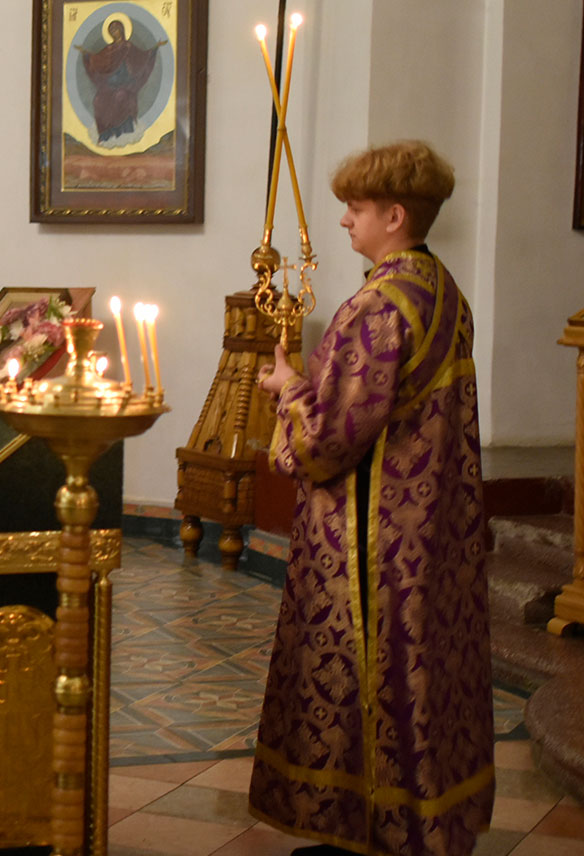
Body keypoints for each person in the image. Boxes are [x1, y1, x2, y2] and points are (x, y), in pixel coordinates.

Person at [251, 140, 492, 856]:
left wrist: (288, 389)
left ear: (394, 216)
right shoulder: (443, 289)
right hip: (431, 528)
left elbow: (328, 440)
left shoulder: (378, 306)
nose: (344, 221)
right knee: (422, 676)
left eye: (356, 209)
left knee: (365, 673)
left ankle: (366, 830)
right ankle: (422, 823)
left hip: (370, 537)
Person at [76, 17, 163, 147]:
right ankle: (106, 134)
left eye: (116, 29)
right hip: (109, 85)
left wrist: (154, 49)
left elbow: (142, 57)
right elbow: (97, 59)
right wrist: (86, 55)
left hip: (126, 85)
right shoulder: (109, 49)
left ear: (121, 30)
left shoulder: (128, 47)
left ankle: (122, 132)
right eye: (111, 30)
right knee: (98, 100)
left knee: (120, 96)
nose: (114, 32)